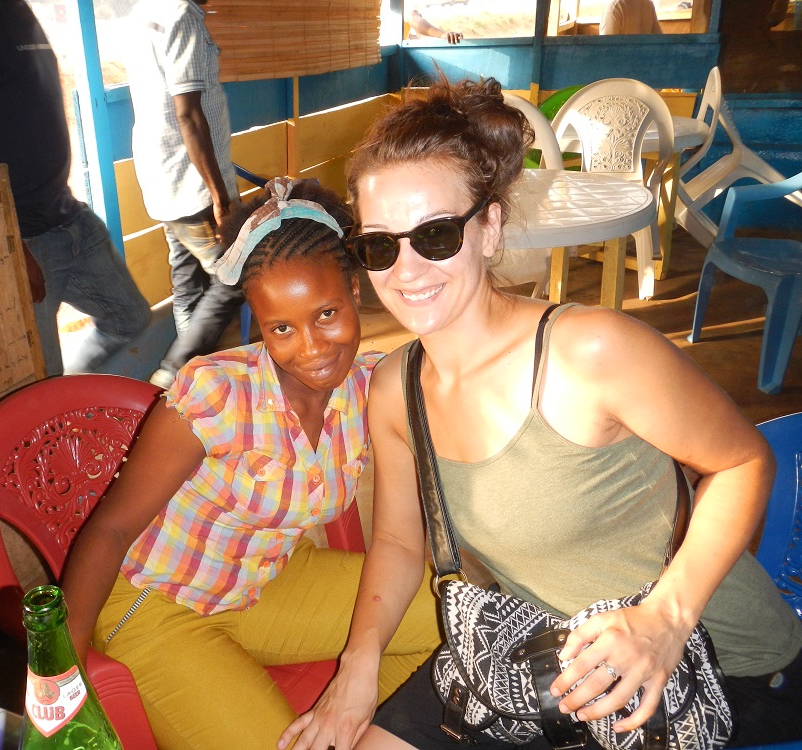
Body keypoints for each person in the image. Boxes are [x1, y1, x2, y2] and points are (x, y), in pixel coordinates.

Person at [280, 77, 802, 750]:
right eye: (381, 244)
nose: (406, 271)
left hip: (720, 667)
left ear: (490, 227)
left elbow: (742, 462)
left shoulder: (589, 352)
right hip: (541, 650)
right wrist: (359, 665)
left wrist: (666, 618)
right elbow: (401, 544)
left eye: (435, 235)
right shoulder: (394, 386)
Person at [59, 178, 442, 750]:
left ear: (354, 290)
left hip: (267, 582)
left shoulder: (370, 387)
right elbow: (111, 529)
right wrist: (59, 672)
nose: (311, 348)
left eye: (327, 313)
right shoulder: (215, 395)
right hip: (156, 605)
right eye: (281, 328)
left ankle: (354, 732)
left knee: (460, 622)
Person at [0, 0, 155, 378]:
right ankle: (57, 402)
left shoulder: (18, 8)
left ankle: (67, 399)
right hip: (24, 234)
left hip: (68, 215)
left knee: (129, 317)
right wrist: (12, 246)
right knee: (40, 375)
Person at [126, 0, 246, 390]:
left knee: (188, 280)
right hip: (193, 184)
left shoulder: (144, 11)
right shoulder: (181, 15)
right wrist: (219, 196)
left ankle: (192, 382)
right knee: (235, 276)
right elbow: (188, 114)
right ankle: (174, 371)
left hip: (163, 176)